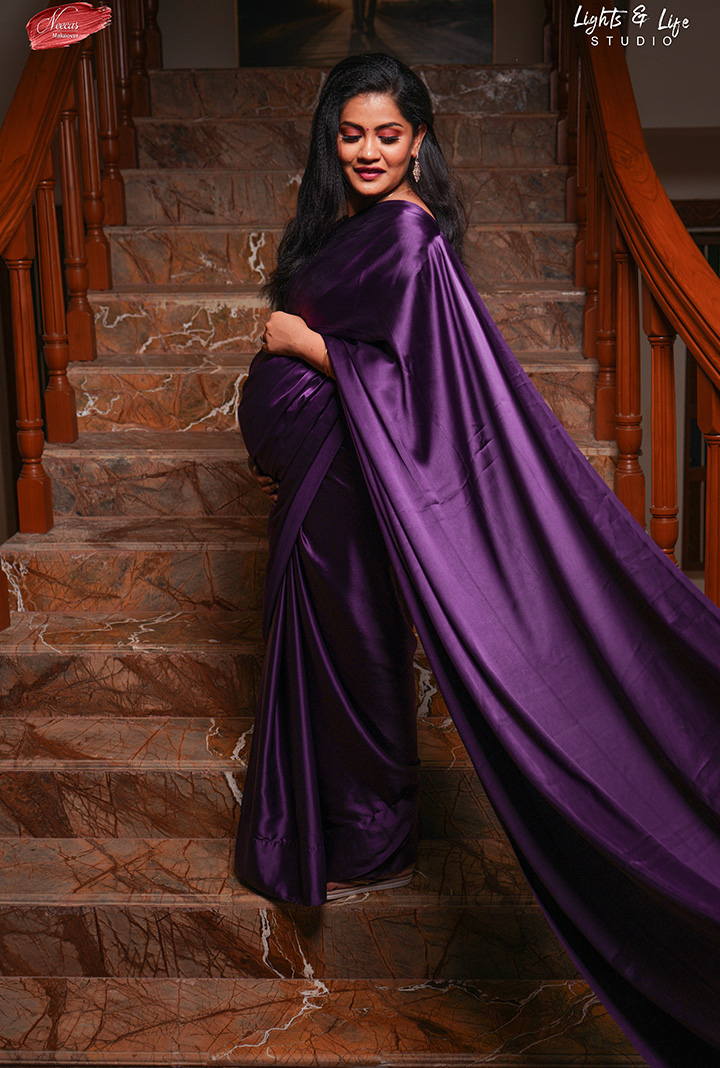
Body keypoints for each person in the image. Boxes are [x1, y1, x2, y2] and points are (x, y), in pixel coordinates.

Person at [234, 53, 720, 1068]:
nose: (369, 151)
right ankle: (346, 827)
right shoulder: (351, 227)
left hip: (353, 475)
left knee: (356, 644)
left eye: (389, 134)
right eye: (351, 134)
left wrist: (303, 348)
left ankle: (369, 833)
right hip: (324, 479)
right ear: (331, 139)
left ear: (420, 140)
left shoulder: (409, 237)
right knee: (333, 642)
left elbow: (419, 388)